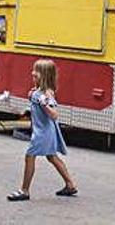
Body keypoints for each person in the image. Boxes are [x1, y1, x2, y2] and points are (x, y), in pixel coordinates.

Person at [7, 60, 77, 201]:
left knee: (30, 156)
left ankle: (24, 190)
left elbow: (54, 114)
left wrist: (44, 104)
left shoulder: (46, 94)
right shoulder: (38, 92)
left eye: (36, 72)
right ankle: (70, 184)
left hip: (43, 132)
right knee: (52, 157)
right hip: (44, 130)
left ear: (44, 76)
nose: (33, 73)